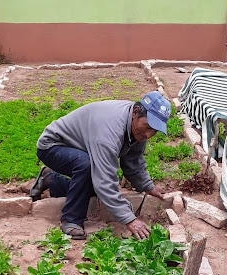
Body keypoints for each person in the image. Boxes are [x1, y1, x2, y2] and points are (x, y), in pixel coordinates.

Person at [30, 90, 171, 240]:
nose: (148, 135)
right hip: (53, 146)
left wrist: (147, 186)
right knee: (89, 168)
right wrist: (130, 219)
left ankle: (52, 181)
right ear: (136, 112)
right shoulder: (110, 131)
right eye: (148, 127)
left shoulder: (135, 127)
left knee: (98, 183)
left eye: (154, 131)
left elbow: (133, 161)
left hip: (81, 148)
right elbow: (104, 182)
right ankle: (71, 220)